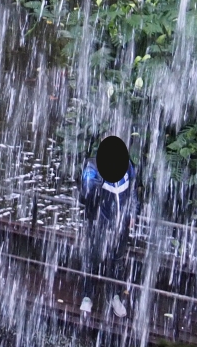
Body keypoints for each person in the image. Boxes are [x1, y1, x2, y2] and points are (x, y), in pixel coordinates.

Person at [78, 135, 138, 319]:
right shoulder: (92, 167)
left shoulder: (128, 166)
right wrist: (99, 183)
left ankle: (115, 296)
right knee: (94, 257)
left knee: (117, 261)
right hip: (98, 222)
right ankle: (88, 296)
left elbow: (134, 192)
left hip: (121, 223)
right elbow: (85, 193)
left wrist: (133, 213)